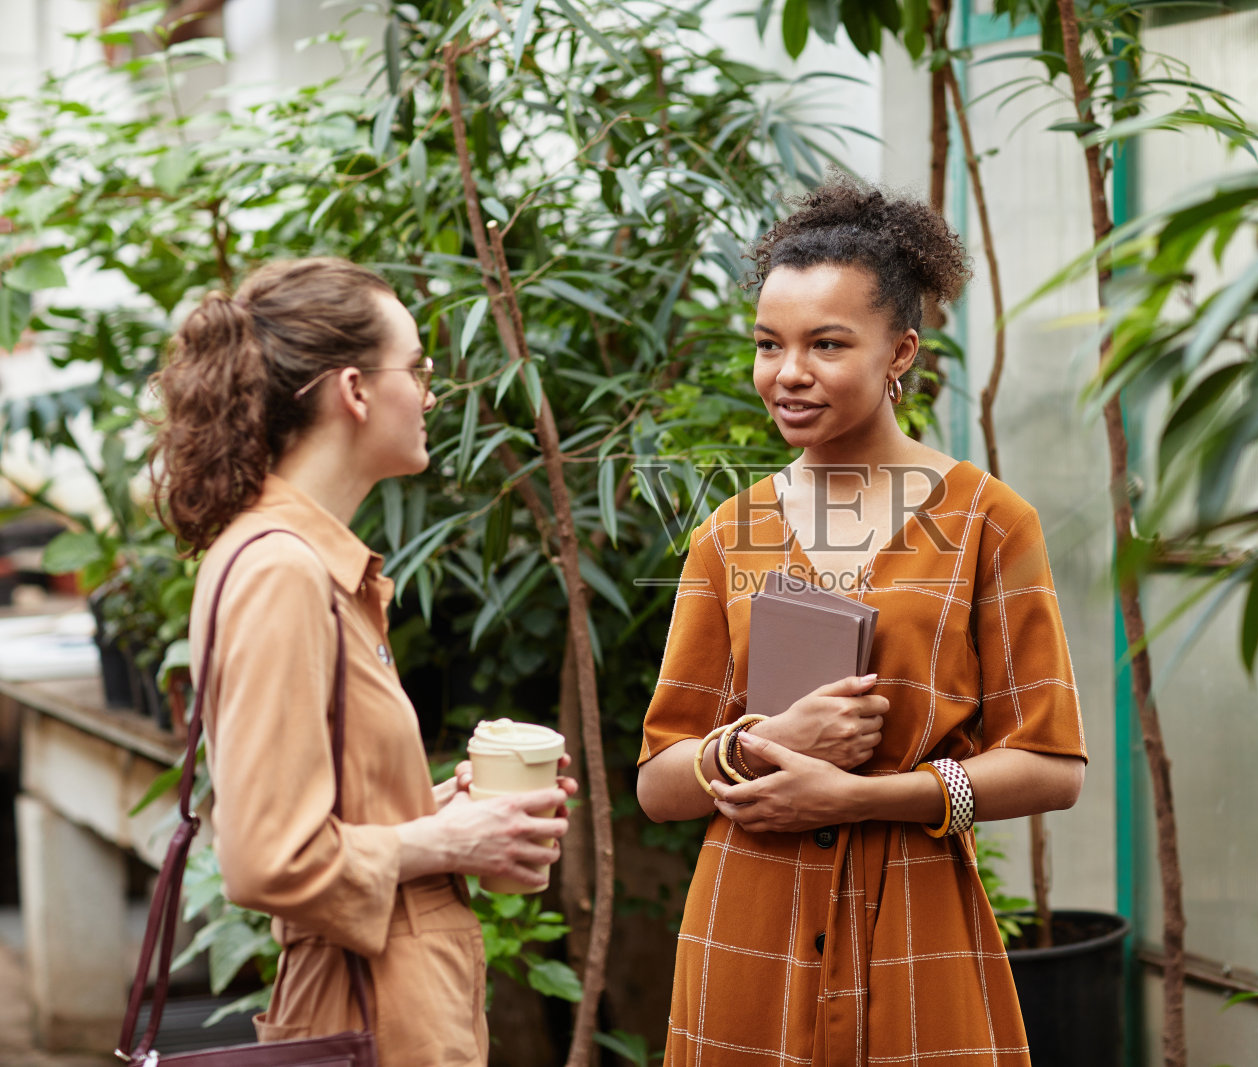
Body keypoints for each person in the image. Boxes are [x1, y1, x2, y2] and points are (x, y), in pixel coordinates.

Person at [636, 176, 1089, 1065]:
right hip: (747, 931)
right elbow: (660, 781)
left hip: (915, 927)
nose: (788, 372)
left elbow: (1052, 765)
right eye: (770, 345)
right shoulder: (731, 535)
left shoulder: (988, 522)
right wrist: (761, 743)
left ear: (901, 352)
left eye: (826, 343)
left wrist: (870, 796)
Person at [152, 257, 576, 1066]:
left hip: (391, 998)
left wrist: (449, 810)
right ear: (353, 390)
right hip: (371, 1010)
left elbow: (324, 810)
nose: (429, 393)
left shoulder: (303, 563)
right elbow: (268, 857)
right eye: (415, 368)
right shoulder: (283, 569)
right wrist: (450, 843)